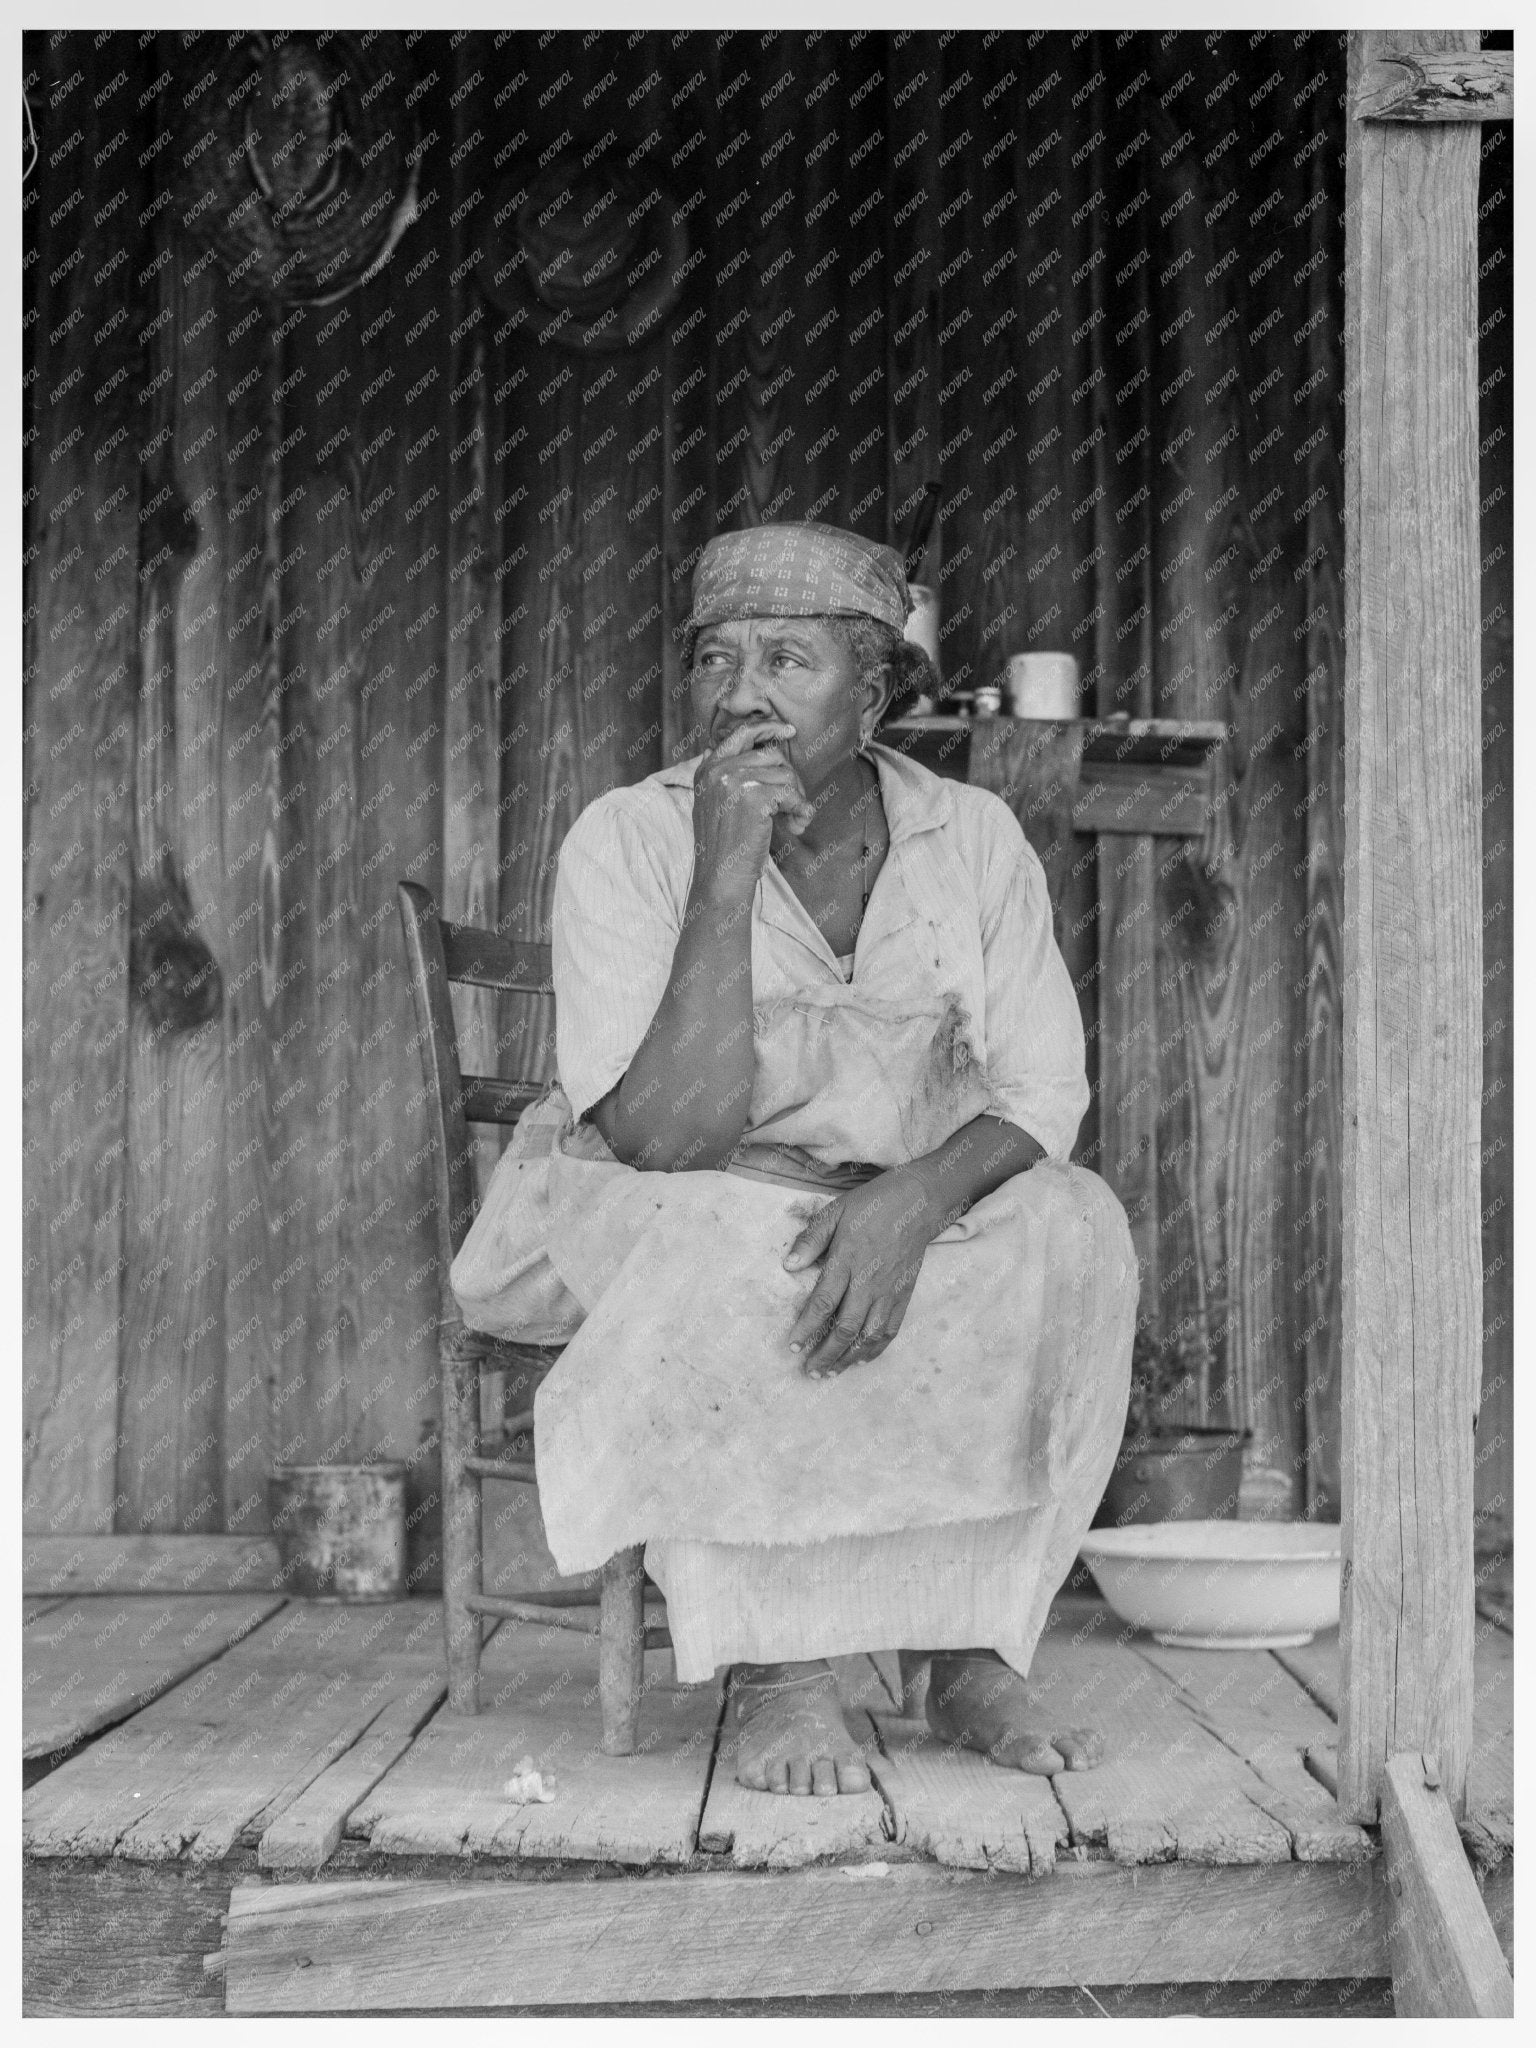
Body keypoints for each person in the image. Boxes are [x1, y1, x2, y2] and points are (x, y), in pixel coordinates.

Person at [452, 520, 1138, 1797]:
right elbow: (662, 1138)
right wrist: (726, 872)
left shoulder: (975, 836)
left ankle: (968, 1644)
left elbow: (1046, 1090)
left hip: (893, 1191)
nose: (743, 692)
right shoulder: (628, 837)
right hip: (670, 1191)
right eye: (717, 659)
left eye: (788, 658)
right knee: (727, 1244)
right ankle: (782, 1667)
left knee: (1075, 1224)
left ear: (873, 694)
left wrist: (914, 1201)